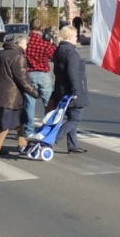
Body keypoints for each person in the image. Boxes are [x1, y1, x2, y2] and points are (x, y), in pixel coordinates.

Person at [0, 34, 40, 158]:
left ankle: (22, 144)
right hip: (12, 96)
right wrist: (35, 92)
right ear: (18, 43)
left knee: (19, 121)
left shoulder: (1, 54)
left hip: (2, 93)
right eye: (25, 43)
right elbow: (22, 79)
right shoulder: (19, 57)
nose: (26, 46)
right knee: (6, 125)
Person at [52, 25, 90, 153]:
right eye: (75, 36)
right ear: (69, 36)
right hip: (72, 90)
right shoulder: (71, 51)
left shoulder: (59, 49)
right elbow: (72, 72)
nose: (77, 38)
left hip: (62, 89)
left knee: (71, 117)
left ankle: (72, 145)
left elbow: (56, 70)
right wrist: (76, 91)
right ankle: (53, 139)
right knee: (75, 119)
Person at [23, 18, 56, 138]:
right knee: (49, 104)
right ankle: (48, 129)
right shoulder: (45, 43)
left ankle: (29, 131)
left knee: (29, 105)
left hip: (29, 74)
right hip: (44, 75)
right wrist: (51, 43)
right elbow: (54, 54)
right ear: (41, 28)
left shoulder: (26, 42)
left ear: (30, 27)